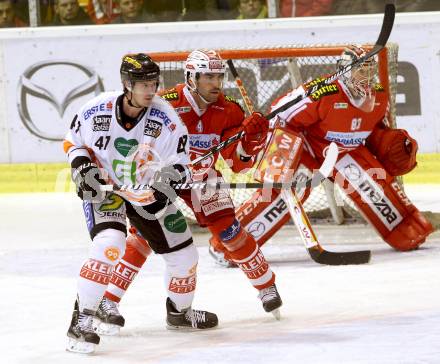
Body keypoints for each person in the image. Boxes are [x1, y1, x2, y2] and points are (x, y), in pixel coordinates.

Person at [97, 49, 282, 335]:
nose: (216, 83)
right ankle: (107, 302)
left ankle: (266, 286)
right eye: (208, 76)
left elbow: (239, 164)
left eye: (218, 76)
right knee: (142, 238)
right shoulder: (164, 104)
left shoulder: (230, 109)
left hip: (203, 177)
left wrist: (252, 141)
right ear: (191, 78)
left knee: (229, 231)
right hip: (163, 177)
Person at [64, 53, 218, 354]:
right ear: (126, 84)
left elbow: (180, 164)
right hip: (105, 189)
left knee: (185, 257)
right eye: (142, 84)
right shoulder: (96, 109)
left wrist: (166, 185)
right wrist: (82, 167)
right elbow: (73, 141)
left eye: (153, 83)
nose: (150, 90)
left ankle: (179, 313)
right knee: (110, 244)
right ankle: (81, 320)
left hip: (145, 192)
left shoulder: (166, 119)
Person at [224, 45, 434, 262]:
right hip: (304, 146)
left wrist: (389, 144)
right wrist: (279, 155)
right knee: (287, 192)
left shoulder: (379, 97)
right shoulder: (322, 91)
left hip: (342, 151)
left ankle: (408, 231)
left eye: (370, 69)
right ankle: (231, 244)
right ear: (344, 70)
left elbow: (376, 130)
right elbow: (280, 112)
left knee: (371, 182)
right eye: (361, 70)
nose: (368, 76)